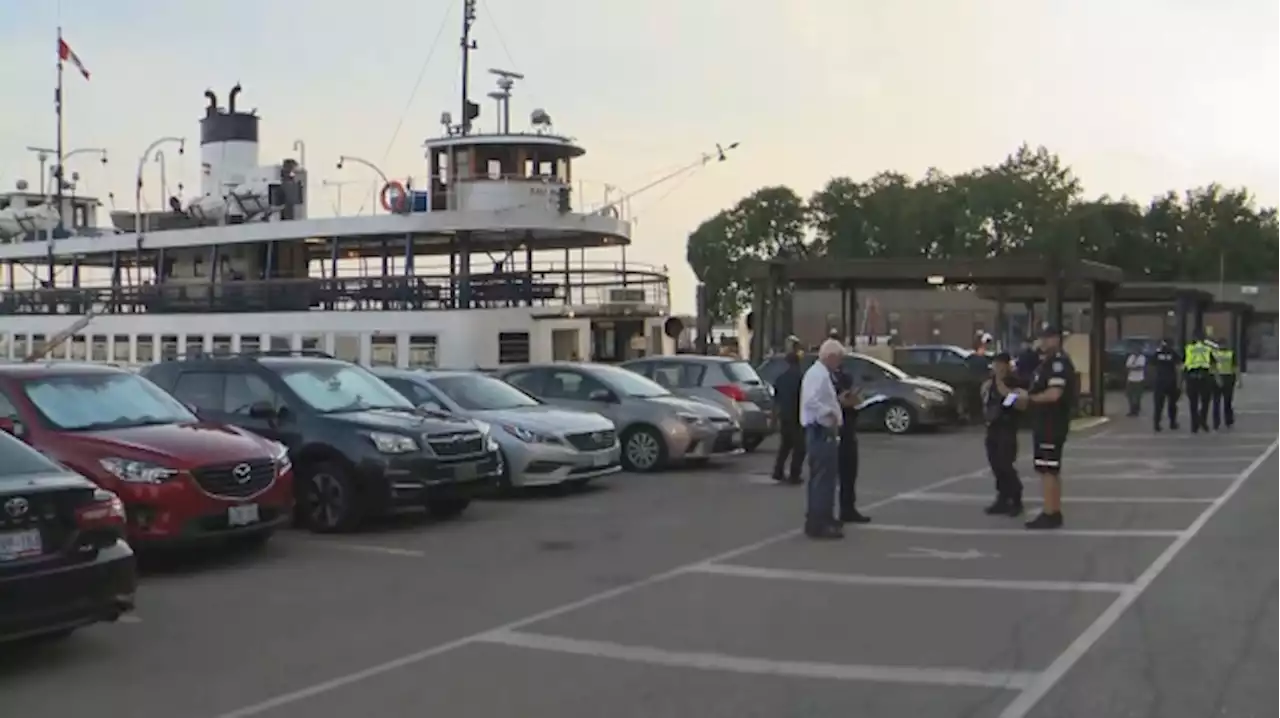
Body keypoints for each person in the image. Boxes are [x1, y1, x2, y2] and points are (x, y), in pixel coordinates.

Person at [1011, 325, 1076, 530]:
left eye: (1048, 338)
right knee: (1048, 469)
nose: (1043, 342)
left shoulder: (1058, 363)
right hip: (1044, 422)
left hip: (1051, 422)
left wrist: (1029, 399)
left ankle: (1050, 512)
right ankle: (1053, 511)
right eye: (1042, 338)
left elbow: (1054, 394)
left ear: (1057, 339)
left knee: (1048, 469)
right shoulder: (1044, 364)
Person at [799, 338, 858, 539]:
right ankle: (818, 522)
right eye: (838, 359)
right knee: (822, 478)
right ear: (830, 357)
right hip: (820, 431)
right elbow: (810, 401)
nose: (839, 364)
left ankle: (823, 517)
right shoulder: (818, 375)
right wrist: (829, 413)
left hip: (823, 431)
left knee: (826, 477)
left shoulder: (822, 374)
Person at [981, 352, 1023, 517]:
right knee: (996, 464)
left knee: (1006, 464)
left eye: (1000, 365)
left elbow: (1012, 401)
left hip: (1007, 427)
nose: (997, 368)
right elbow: (985, 402)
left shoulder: (1014, 382)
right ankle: (1002, 497)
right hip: (993, 427)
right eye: (995, 365)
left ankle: (1016, 498)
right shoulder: (988, 384)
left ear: (1007, 366)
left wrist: (1000, 385)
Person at [832, 363, 870, 523]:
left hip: (849, 430)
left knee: (850, 473)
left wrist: (855, 398)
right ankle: (833, 512)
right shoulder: (827, 379)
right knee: (837, 473)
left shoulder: (842, 375)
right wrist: (844, 400)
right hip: (839, 432)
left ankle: (848, 508)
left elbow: (855, 403)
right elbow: (835, 403)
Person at [770, 351, 806, 484]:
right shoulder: (801, 378)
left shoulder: (781, 379)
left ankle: (778, 471)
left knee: (785, 445)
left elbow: (776, 400)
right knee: (800, 447)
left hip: (784, 416)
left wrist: (774, 418)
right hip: (797, 416)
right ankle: (794, 474)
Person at [1182, 332, 1215, 433]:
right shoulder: (1207, 349)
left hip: (1191, 377)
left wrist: (1182, 380)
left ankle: (1194, 425)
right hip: (1204, 377)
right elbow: (1213, 364)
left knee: (1193, 403)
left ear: (1194, 337)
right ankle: (1203, 420)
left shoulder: (1188, 348)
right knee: (1205, 401)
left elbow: (1184, 365)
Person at [1150, 338, 1181, 432]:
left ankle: (1156, 424)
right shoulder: (1173, 352)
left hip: (1160, 381)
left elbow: (1152, 363)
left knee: (1158, 404)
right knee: (1172, 404)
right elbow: (1179, 364)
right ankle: (1172, 423)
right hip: (1171, 381)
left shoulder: (1158, 352)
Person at [1211, 341, 1238, 430]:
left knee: (1221, 402)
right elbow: (1235, 367)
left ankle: (1219, 422)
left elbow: (1235, 367)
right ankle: (1226, 421)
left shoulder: (1215, 354)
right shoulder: (1230, 354)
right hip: (1226, 377)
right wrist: (1238, 379)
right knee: (1224, 402)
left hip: (1223, 377)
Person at [1124, 347, 1147, 417]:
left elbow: (1140, 368)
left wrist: (1132, 367)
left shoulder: (1142, 358)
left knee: (1137, 395)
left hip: (1139, 379)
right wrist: (1134, 367)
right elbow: (1127, 366)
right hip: (1130, 379)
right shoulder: (1131, 357)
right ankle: (1132, 409)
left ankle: (1135, 410)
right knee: (1129, 395)